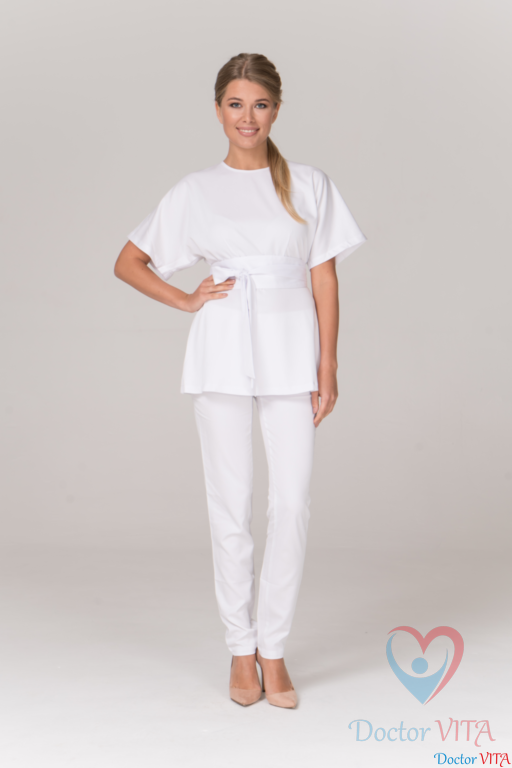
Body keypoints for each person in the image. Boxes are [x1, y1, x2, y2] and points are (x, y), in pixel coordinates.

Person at [114, 52, 367, 709]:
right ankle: (240, 648)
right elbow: (130, 261)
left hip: (292, 350)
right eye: (235, 104)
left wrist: (328, 364)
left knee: (291, 503)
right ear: (218, 110)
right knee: (230, 505)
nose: (247, 117)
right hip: (222, 347)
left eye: (259, 104)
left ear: (276, 109)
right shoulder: (196, 190)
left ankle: (274, 649)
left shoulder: (308, 184)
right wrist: (186, 299)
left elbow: (324, 277)